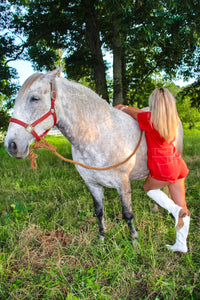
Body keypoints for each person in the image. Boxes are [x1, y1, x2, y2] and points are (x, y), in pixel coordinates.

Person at [115, 88, 190, 253]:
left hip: (164, 168)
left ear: (153, 104)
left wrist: (121, 107)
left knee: (148, 188)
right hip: (178, 164)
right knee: (182, 204)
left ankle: (174, 210)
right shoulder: (173, 120)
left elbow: (131, 111)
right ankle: (181, 244)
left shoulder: (148, 119)